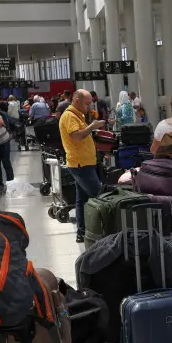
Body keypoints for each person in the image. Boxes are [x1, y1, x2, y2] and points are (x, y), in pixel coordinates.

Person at [59, 89, 105, 243]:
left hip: (84, 163)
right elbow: (77, 137)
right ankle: (104, 231)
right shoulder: (70, 116)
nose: (89, 106)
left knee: (82, 200)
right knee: (98, 196)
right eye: (87, 103)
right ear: (77, 100)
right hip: (81, 165)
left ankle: (82, 231)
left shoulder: (77, 115)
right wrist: (92, 126)